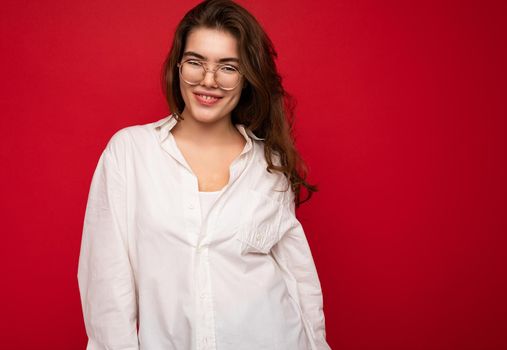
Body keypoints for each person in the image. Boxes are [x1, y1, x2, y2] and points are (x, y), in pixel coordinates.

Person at [77, 0, 331, 349]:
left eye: (228, 67)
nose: (208, 81)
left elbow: (297, 274)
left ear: (247, 78)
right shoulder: (130, 152)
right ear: (179, 66)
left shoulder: (268, 164)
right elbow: (106, 283)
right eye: (196, 62)